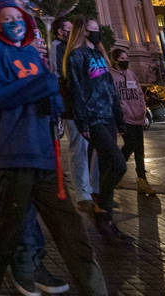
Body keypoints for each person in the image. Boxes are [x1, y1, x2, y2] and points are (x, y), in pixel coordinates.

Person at [0, 0, 108, 296]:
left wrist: (55, 94)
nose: (14, 23)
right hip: (14, 155)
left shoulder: (36, 55)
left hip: (45, 158)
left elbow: (50, 101)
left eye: (17, 17)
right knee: (3, 234)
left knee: (71, 230)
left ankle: (96, 288)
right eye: (6, 19)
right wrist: (40, 85)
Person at [62, 16, 128, 241]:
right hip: (93, 118)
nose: (97, 33)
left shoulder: (99, 55)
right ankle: (99, 202)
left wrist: (119, 117)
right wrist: (83, 122)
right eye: (93, 30)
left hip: (108, 116)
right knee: (119, 165)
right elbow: (76, 90)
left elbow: (110, 88)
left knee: (111, 165)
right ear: (84, 32)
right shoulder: (76, 56)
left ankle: (106, 219)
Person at [50, 18, 92, 206]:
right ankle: (82, 192)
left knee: (88, 147)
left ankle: (91, 188)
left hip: (85, 104)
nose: (70, 32)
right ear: (60, 31)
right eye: (67, 29)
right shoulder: (58, 48)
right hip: (71, 104)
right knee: (79, 146)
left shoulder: (79, 49)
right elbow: (64, 75)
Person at [108, 46, 154, 197]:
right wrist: (121, 111)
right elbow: (112, 97)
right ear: (115, 60)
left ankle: (142, 180)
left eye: (126, 59)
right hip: (124, 118)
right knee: (130, 144)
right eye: (122, 59)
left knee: (139, 148)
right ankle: (118, 170)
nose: (126, 61)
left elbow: (139, 93)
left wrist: (142, 108)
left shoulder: (132, 74)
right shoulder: (111, 76)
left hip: (138, 117)